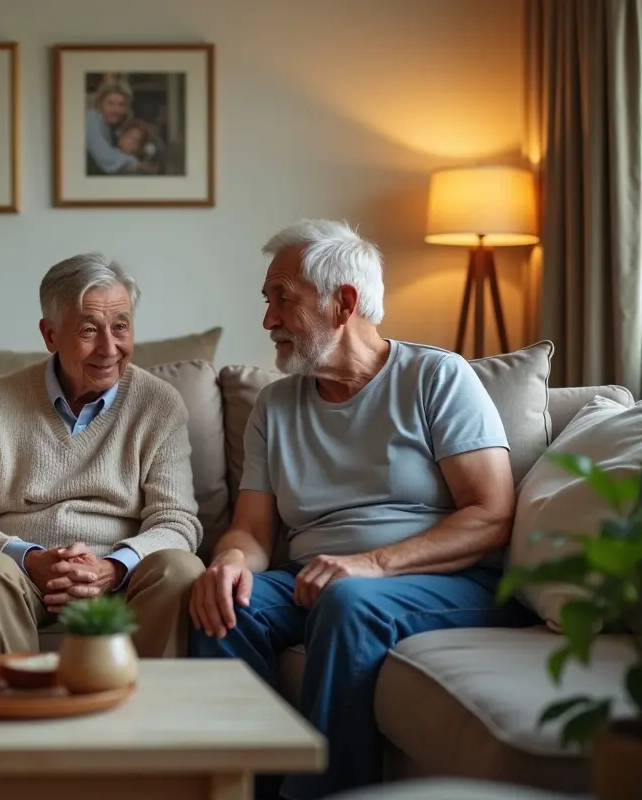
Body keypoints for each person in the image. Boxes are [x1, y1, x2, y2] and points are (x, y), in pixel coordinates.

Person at [187, 219, 538, 800]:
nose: (268, 319)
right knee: (222, 603)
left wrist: (374, 563)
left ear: (343, 302)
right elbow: (251, 531)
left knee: (348, 598)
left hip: (443, 577)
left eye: (283, 299)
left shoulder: (437, 377)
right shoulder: (275, 406)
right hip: (318, 577)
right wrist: (228, 563)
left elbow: (490, 514)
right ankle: (250, 789)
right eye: (267, 301)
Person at [0, 253, 205, 657]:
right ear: (50, 334)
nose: (109, 348)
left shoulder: (159, 405)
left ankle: (147, 712)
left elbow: (178, 522)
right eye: (89, 329)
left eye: (121, 327)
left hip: (122, 581)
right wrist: (30, 559)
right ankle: (15, 706)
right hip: (22, 577)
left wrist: (111, 568)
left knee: (182, 569)